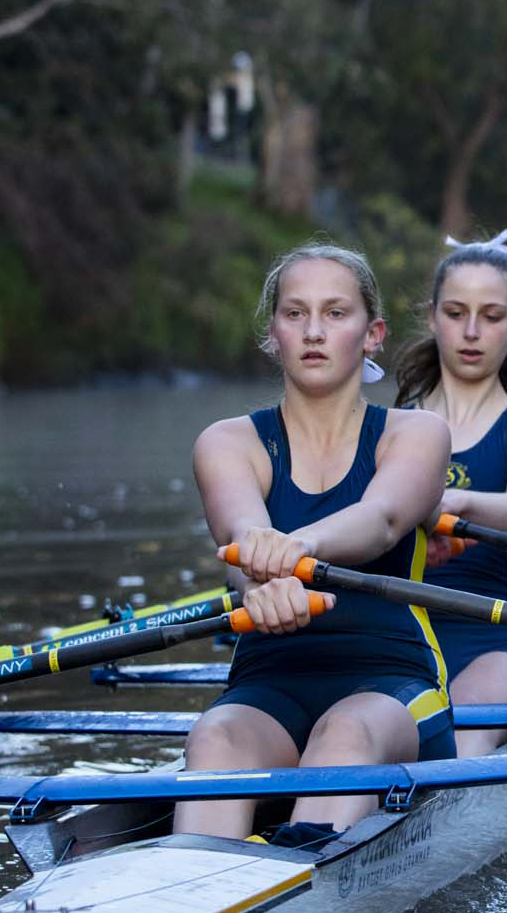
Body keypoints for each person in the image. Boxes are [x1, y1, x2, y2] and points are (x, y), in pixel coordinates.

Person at [173, 241, 453, 848]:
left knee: (345, 731)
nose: (314, 332)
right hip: (267, 682)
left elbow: (381, 519)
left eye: (335, 313)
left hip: (393, 684)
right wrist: (259, 577)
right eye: (295, 314)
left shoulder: (417, 434)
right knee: (213, 736)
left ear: (373, 332)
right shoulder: (227, 442)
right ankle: (194, 895)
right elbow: (241, 536)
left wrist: (290, 550)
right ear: (272, 334)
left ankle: (295, 881)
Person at [395, 233, 507, 756]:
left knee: (453, 740)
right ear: (432, 317)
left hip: (498, 647)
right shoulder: (390, 424)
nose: (471, 332)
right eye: (455, 312)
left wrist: (451, 504)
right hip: (401, 644)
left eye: (492, 317)